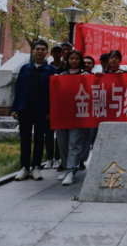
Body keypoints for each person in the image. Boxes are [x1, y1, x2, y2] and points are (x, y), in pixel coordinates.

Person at [12, 40, 58, 181]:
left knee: (39, 139)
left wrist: (51, 111)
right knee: (25, 139)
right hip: (25, 109)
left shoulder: (52, 70)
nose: (39, 51)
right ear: (32, 51)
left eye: (42, 49)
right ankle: (24, 168)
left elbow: (55, 93)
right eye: (37, 49)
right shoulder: (24, 69)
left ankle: (36, 167)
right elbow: (18, 89)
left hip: (42, 111)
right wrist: (15, 108)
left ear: (47, 52)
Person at [56, 50, 86, 186]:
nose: (73, 61)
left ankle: (72, 171)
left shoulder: (85, 75)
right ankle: (66, 166)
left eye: (76, 58)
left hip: (77, 114)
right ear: (67, 60)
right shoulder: (61, 75)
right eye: (71, 58)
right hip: (62, 114)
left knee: (74, 143)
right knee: (62, 143)